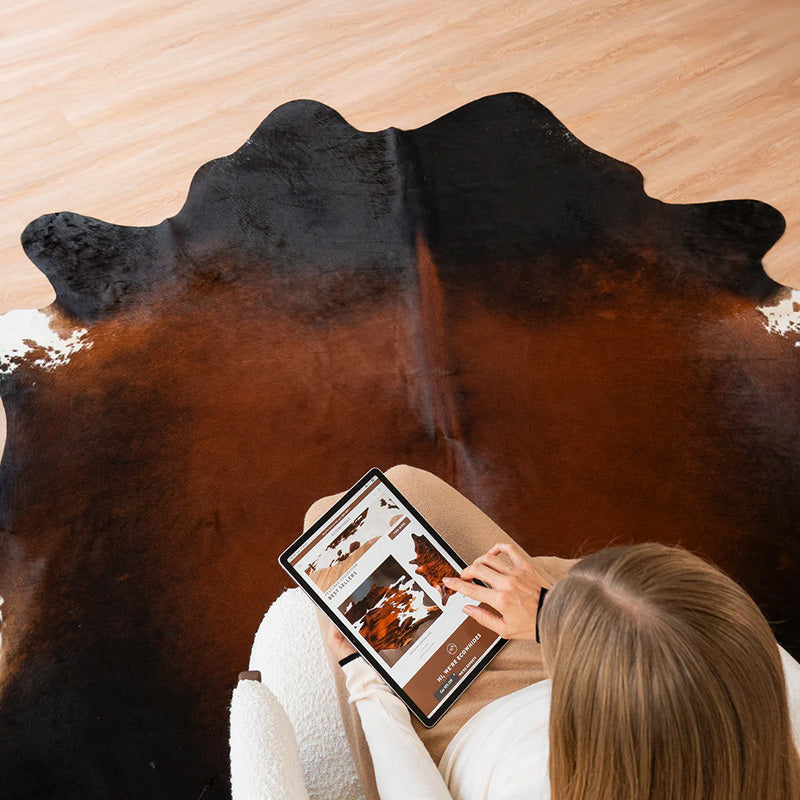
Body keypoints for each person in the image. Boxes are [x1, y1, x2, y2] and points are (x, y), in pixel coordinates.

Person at [310, 466, 800, 800]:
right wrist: (548, 613)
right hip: (609, 663)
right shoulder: (767, 688)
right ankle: (560, 598)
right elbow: (709, 637)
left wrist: (367, 683)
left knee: (333, 523)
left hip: (470, 727)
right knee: (400, 496)